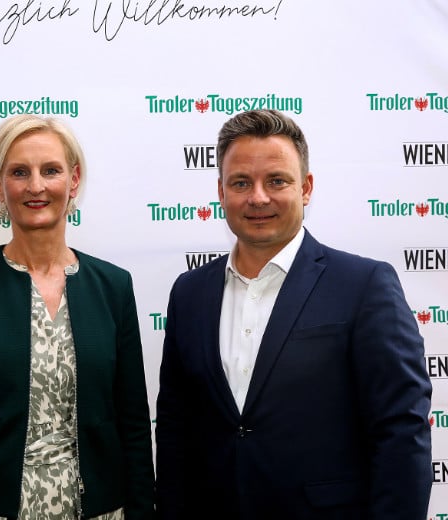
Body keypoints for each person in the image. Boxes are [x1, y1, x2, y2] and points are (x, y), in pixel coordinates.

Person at [155, 109, 432, 518]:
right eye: (241, 182)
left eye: (276, 181)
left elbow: (401, 431)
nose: (258, 198)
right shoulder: (189, 293)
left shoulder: (364, 285)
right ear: (221, 191)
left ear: (306, 188)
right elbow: (175, 429)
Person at [0, 114, 155, 519]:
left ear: (74, 180)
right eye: (19, 172)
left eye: (51, 171)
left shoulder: (113, 287)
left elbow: (133, 424)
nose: (36, 186)